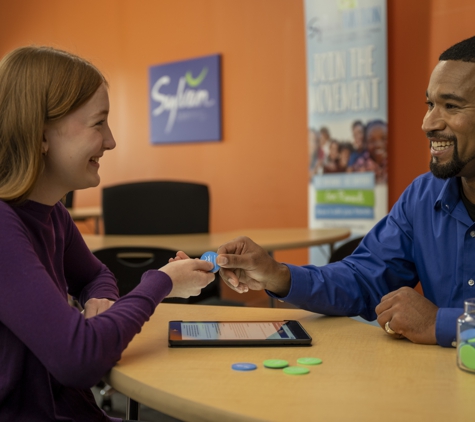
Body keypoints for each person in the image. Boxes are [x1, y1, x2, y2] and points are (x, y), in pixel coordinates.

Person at [214, 35, 475, 349]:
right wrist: (278, 275)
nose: (428, 123)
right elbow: (363, 279)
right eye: (430, 104)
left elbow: (436, 325)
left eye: (450, 106)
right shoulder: (421, 197)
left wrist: (440, 324)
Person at [0, 46, 215, 421]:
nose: (112, 140)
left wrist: (101, 298)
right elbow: (78, 359)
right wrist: (161, 282)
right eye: (98, 123)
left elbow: (98, 274)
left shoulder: (54, 215)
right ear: (40, 134)